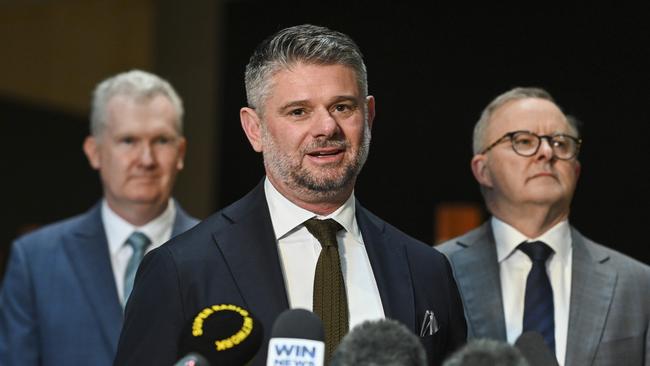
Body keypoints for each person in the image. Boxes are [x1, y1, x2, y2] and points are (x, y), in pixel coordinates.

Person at [113, 24, 466, 366]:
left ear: (369, 116)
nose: (327, 127)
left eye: (343, 107)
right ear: (254, 129)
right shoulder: (181, 268)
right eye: (299, 111)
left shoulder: (426, 271)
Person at [438, 87, 650, 366]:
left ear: (575, 171)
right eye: (523, 141)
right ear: (483, 170)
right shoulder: (435, 271)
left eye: (561, 143)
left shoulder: (638, 284)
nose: (547, 152)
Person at [0, 70, 199, 366]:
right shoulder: (35, 260)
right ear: (94, 152)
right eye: (128, 140)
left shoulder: (220, 253)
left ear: (180, 152)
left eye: (161, 141)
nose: (146, 160)